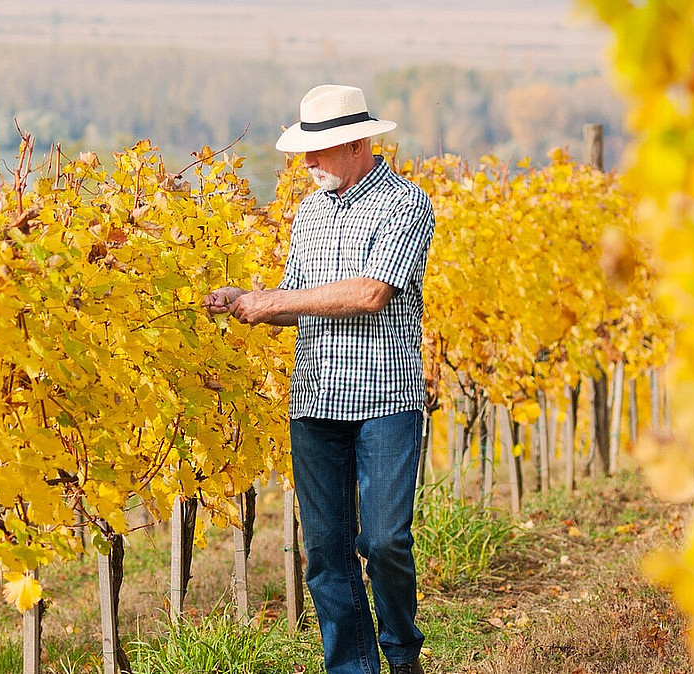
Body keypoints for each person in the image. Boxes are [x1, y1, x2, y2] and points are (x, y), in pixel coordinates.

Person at [206, 84, 435, 674]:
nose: (306, 163)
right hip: (315, 399)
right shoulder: (308, 214)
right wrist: (246, 302)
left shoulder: (406, 204)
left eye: (318, 150)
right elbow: (295, 304)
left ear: (357, 143)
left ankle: (403, 654)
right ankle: (351, 668)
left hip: (387, 399)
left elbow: (370, 294)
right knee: (326, 555)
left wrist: (276, 299)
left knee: (384, 541)